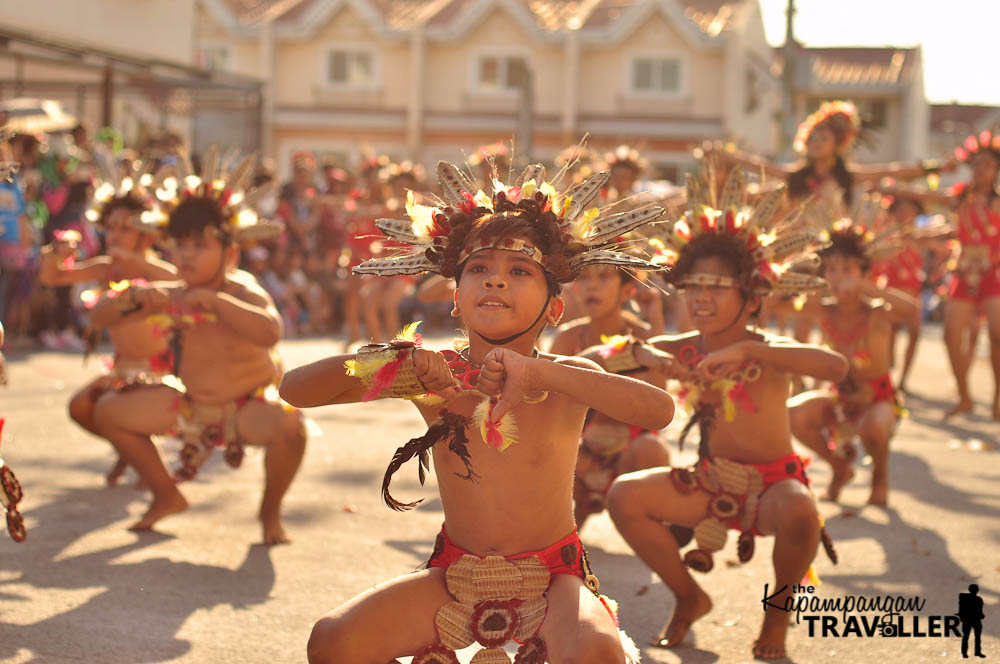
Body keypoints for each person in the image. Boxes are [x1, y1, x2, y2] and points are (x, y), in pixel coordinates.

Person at [280, 160, 674, 663]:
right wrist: (390, 359)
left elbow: (657, 410)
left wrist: (539, 374)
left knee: (599, 651)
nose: (495, 282)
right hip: (456, 574)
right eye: (479, 270)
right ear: (456, 300)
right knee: (334, 639)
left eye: (519, 272)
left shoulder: (566, 373)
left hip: (553, 579)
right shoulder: (431, 374)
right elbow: (295, 389)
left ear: (555, 309)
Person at [607, 167, 848, 660]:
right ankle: (689, 597)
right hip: (712, 482)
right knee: (624, 497)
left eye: (717, 287)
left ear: (753, 297)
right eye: (693, 286)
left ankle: (776, 620)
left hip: (774, 487)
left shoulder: (767, 348)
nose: (701, 298)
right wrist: (649, 356)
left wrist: (747, 354)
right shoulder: (688, 346)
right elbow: (613, 354)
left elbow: (835, 365)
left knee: (802, 510)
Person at [91, 148, 306, 544]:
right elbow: (99, 315)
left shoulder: (241, 289)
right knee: (108, 411)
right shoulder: (172, 293)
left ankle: (269, 512)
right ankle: (165, 493)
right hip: (188, 407)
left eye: (200, 247)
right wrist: (134, 300)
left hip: (247, 409)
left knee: (291, 426)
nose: (187, 255)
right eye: (180, 246)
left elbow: (270, 331)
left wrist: (220, 304)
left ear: (230, 253)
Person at [39, 165, 179, 485]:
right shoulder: (107, 268)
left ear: (147, 234)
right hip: (120, 371)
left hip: (162, 375)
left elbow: (185, 285)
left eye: (125, 228)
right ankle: (132, 450)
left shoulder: (160, 270)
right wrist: (55, 253)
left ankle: (140, 457)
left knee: (112, 412)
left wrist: (139, 265)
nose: (115, 235)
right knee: (79, 407)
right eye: (111, 227)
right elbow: (52, 277)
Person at [787, 218, 917, 506]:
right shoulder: (823, 309)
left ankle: (880, 478)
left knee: (872, 428)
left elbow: (911, 309)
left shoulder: (878, 312)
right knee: (795, 414)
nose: (838, 276)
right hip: (840, 399)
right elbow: (782, 303)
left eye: (847, 269)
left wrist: (868, 289)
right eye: (832, 268)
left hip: (878, 400)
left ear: (862, 272)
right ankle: (839, 468)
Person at [549, 262, 671, 527]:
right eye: (585, 278)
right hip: (581, 453)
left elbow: (658, 406)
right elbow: (549, 410)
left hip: (629, 452)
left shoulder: (643, 335)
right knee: (548, 448)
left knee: (652, 449)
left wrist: (656, 326)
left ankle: (645, 527)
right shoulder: (568, 338)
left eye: (604, 277)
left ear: (627, 291)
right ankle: (564, 529)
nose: (592, 285)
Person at [957, 583, 986, 659]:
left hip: (971, 620)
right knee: (973, 637)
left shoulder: (965, 598)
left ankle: (967, 653)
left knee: (968, 637)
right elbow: (980, 611)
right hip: (973, 620)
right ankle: (974, 652)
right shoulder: (978, 599)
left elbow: (979, 611)